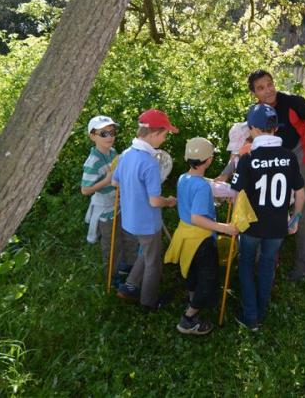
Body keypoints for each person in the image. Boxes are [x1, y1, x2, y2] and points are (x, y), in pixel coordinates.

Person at [246, 69, 305, 281]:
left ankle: (302, 267)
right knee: (266, 213)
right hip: (271, 167)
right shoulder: (255, 113)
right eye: (261, 88)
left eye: (269, 84)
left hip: (299, 164)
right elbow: (249, 141)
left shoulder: (294, 103)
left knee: (303, 216)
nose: (268, 90)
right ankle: (268, 261)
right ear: (254, 94)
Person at [230, 104, 305, 330]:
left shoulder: (248, 158)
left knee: (245, 265)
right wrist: (296, 218)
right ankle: (261, 312)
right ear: (274, 129)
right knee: (266, 266)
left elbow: (236, 195)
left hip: (251, 225)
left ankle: (250, 315)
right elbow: (300, 193)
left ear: (253, 128)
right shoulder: (289, 157)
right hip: (277, 227)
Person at [164, 137, 239, 335]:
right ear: (209, 160)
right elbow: (197, 217)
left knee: (191, 272)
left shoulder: (183, 178)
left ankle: (192, 298)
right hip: (201, 239)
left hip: (185, 235)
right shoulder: (202, 187)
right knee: (208, 279)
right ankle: (189, 318)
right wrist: (225, 227)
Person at [112, 109, 178, 310]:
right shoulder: (149, 162)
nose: (164, 140)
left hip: (130, 219)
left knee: (146, 252)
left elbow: (115, 182)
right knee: (153, 262)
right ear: (153, 134)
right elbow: (155, 202)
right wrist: (169, 201)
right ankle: (149, 302)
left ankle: (130, 286)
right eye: (164, 135)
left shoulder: (126, 154)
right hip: (147, 222)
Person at [80, 115, 138, 285]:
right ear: (92, 136)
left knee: (128, 236)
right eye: (103, 133)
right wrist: (106, 181)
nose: (110, 137)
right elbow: (85, 190)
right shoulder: (93, 161)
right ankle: (112, 277)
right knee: (112, 244)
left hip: (119, 205)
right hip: (105, 210)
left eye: (112, 132)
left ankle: (128, 268)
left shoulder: (113, 153)